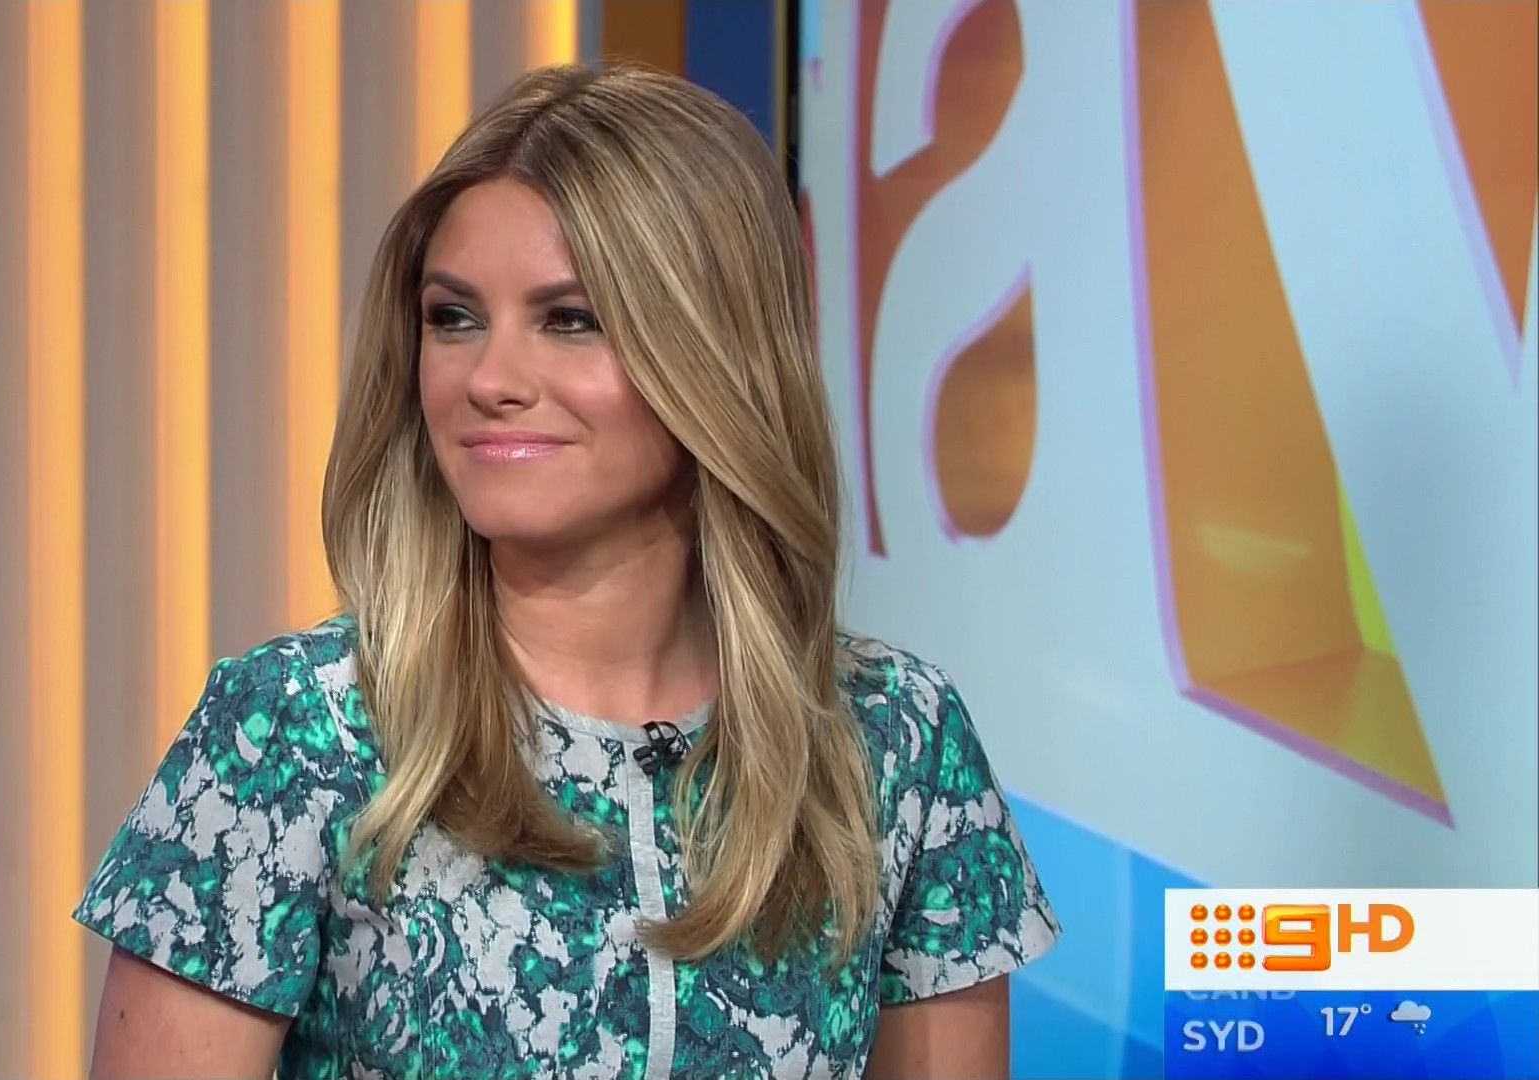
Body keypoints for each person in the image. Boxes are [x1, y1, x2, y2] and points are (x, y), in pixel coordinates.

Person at [73, 61, 1059, 1080]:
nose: (490, 379)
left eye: (570, 319)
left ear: (715, 353)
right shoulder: (296, 734)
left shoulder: (895, 744)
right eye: (454, 318)